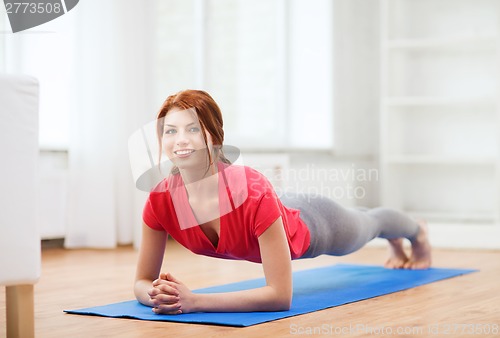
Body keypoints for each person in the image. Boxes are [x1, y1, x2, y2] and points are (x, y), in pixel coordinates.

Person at [134, 89, 432, 315]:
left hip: (311, 221)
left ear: (214, 137)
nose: (180, 140)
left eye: (192, 129)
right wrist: (162, 296)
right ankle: (396, 238)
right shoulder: (160, 201)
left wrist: (195, 301)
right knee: (368, 221)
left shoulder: (251, 190)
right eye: (170, 131)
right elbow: (142, 281)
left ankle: (416, 233)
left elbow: (279, 296)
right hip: (272, 208)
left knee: (369, 223)